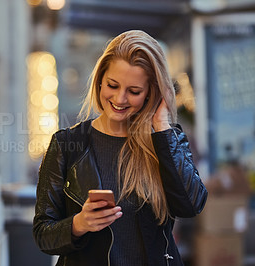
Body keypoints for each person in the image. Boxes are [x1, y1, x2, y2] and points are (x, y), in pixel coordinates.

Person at [33, 30, 207, 266]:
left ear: (151, 92)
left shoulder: (166, 139)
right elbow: (43, 234)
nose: (120, 98)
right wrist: (79, 224)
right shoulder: (66, 144)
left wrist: (162, 127)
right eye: (112, 85)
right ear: (100, 80)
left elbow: (191, 205)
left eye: (134, 91)